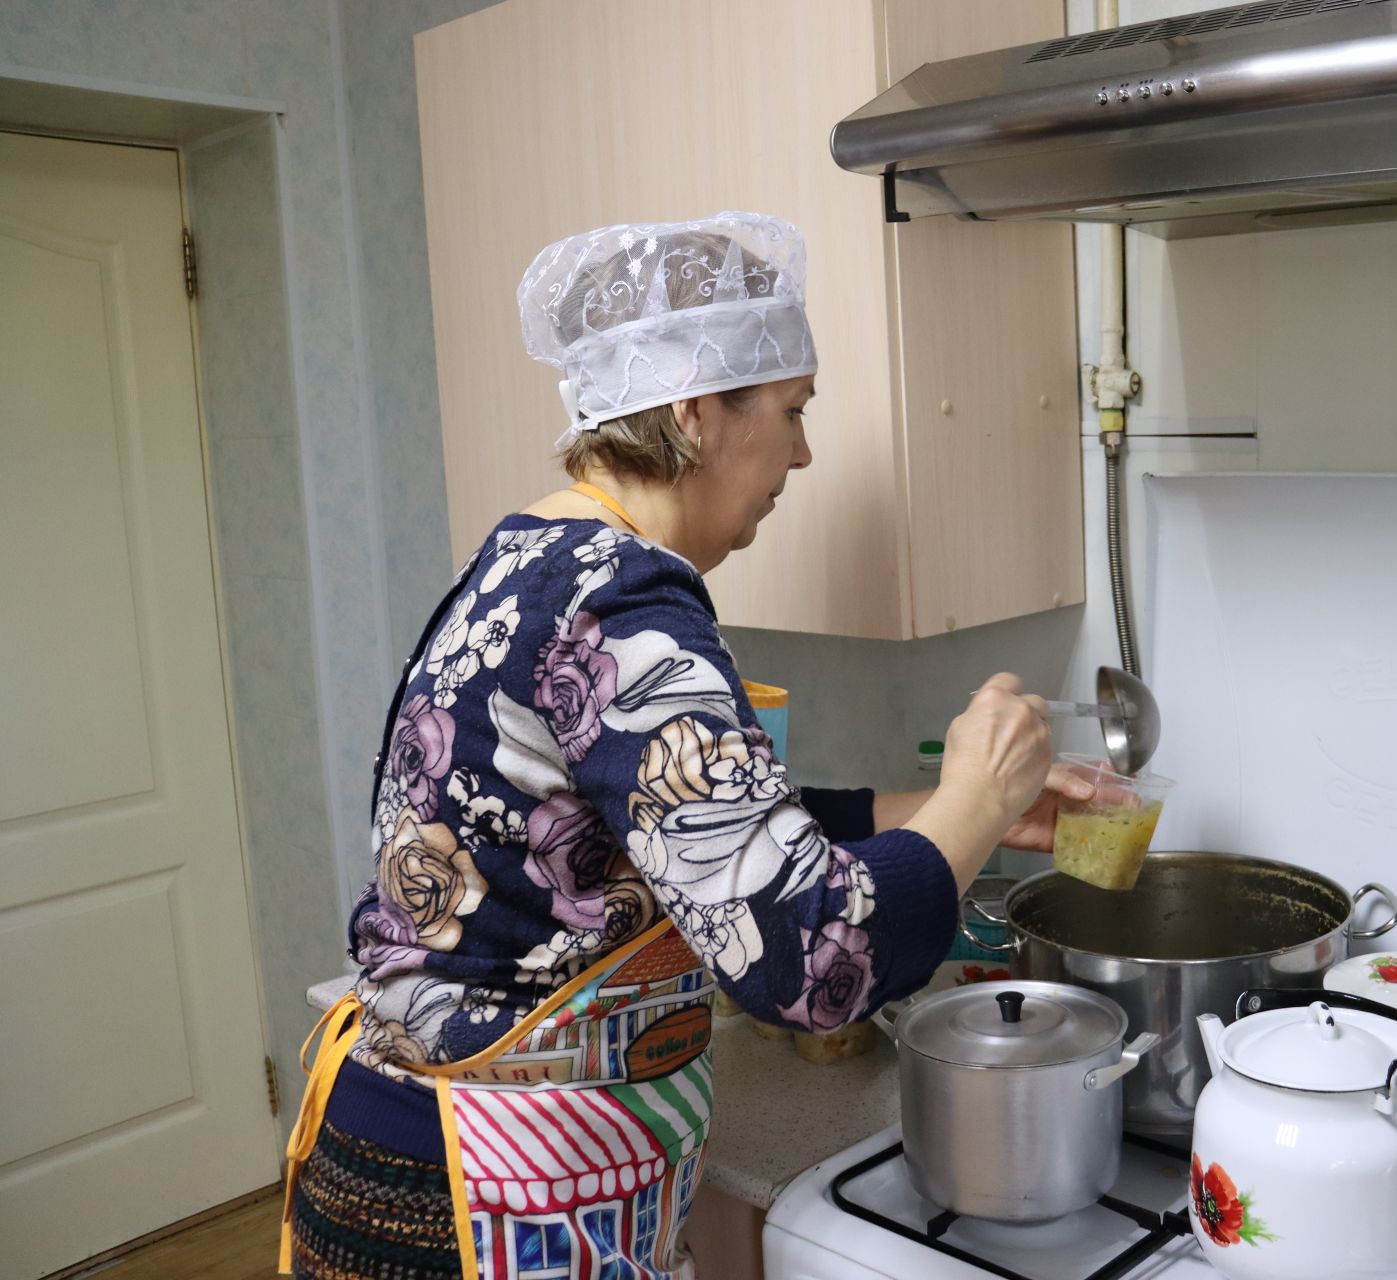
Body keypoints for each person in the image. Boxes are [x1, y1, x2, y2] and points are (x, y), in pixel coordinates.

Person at [281, 212, 1087, 1279]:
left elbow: (687, 823)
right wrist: (974, 797)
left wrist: (931, 810)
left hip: (411, 1153)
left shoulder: (538, 553)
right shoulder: (625, 600)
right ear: (701, 409)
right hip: (476, 1201)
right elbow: (809, 959)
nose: (803, 448)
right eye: (792, 409)